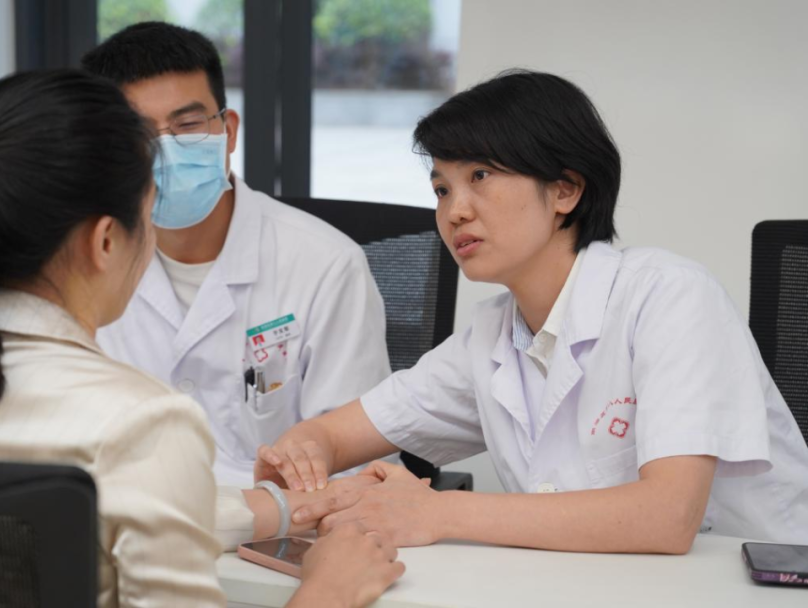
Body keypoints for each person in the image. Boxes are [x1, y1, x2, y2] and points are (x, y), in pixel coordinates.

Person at [0, 69, 403, 607]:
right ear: (105, 241)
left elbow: (105, 504)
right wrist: (327, 592)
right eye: (147, 214)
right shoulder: (144, 422)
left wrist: (281, 508)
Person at [255, 69, 808, 553]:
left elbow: (668, 516)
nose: (454, 211)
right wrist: (303, 451)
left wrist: (438, 513)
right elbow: (337, 434)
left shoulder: (670, 296)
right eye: (442, 189)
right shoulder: (491, 336)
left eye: (480, 177)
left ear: (565, 190)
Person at [82, 22, 392, 488]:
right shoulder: (85, 262)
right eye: (138, 134)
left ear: (227, 131)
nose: (166, 150)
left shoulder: (326, 265)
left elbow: (358, 463)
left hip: (282, 522)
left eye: (188, 125)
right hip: (133, 517)